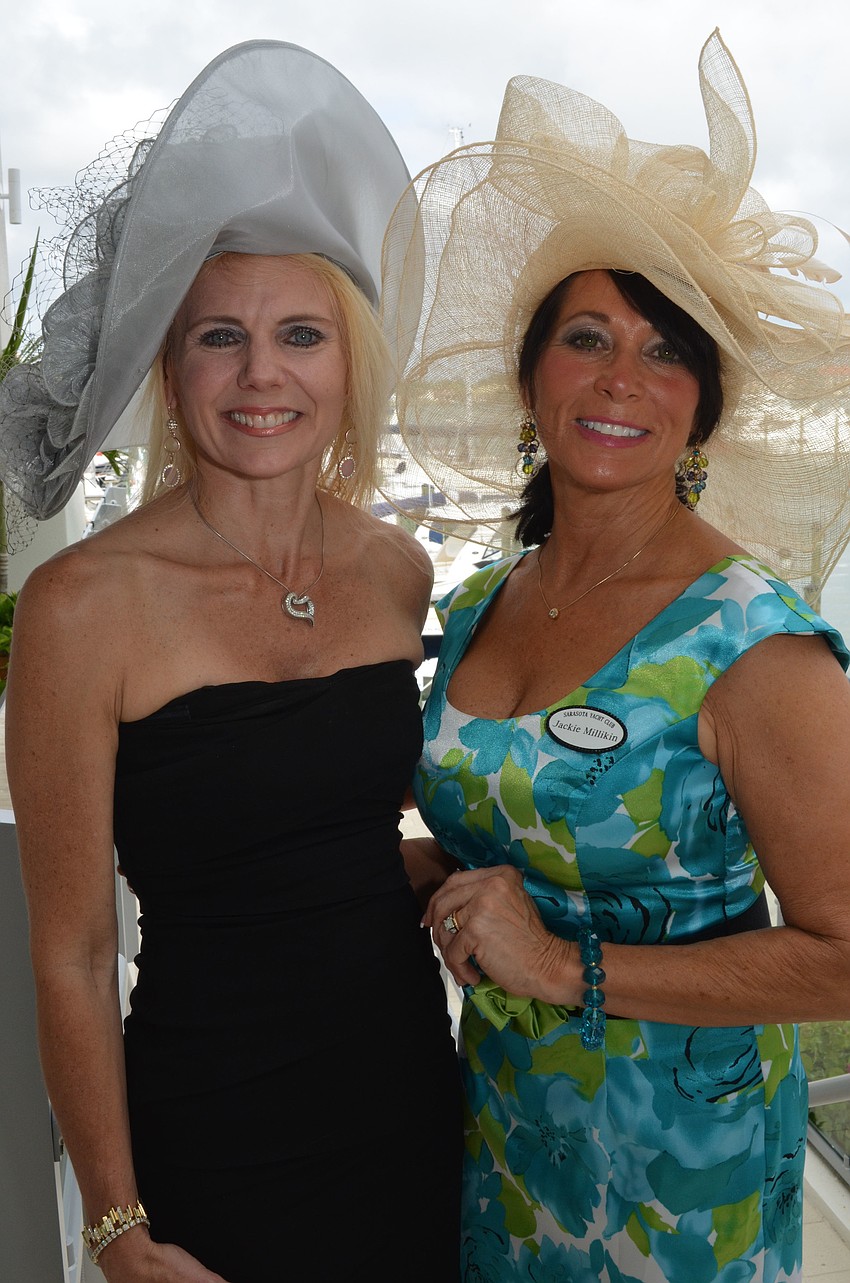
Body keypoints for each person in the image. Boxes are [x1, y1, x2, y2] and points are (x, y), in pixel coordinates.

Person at [380, 30, 850, 1283]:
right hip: (503, 1138)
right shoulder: (481, 602)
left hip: (676, 1193)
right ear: (533, 376)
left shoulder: (753, 640)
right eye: (587, 336)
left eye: (663, 349)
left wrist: (558, 960)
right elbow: (521, 840)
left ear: (703, 402)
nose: (620, 378)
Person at [0, 41, 461, 1283]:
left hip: (413, 1100)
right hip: (213, 1130)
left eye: (300, 333)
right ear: (168, 363)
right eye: (220, 336)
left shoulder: (396, 571)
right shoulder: (79, 607)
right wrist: (116, 1224)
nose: (263, 374)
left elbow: (342, 833)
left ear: (347, 361)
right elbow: (73, 951)